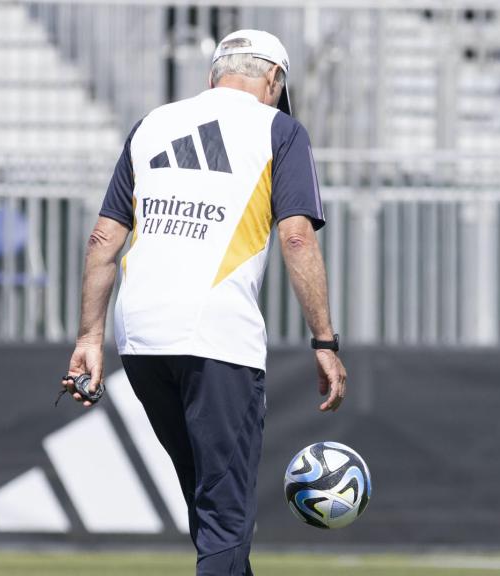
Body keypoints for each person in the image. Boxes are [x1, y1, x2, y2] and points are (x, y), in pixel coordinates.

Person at [61, 29, 346, 576]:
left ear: (212, 76)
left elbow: (103, 238)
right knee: (226, 510)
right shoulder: (279, 130)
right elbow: (296, 237)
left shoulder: (152, 125)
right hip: (217, 336)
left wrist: (89, 339)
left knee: (209, 502)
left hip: (141, 338)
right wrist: (324, 340)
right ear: (273, 81)